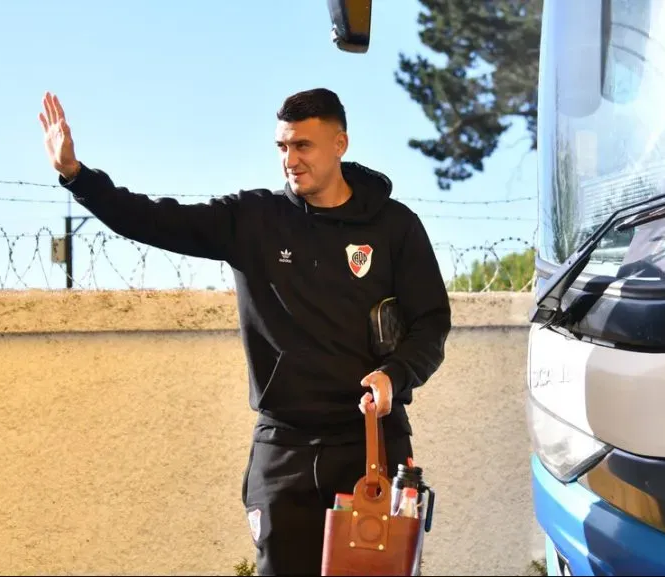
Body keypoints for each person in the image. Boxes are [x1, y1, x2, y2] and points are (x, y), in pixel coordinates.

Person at [38, 87, 451, 575]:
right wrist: (76, 176)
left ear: (340, 144)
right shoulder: (252, 219)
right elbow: (154, 219)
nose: (290, 160)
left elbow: (431, 324)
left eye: (303, 146)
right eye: (282, 147)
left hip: (370, 442)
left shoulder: (394, 226)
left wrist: (393, 375)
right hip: (284, 445)